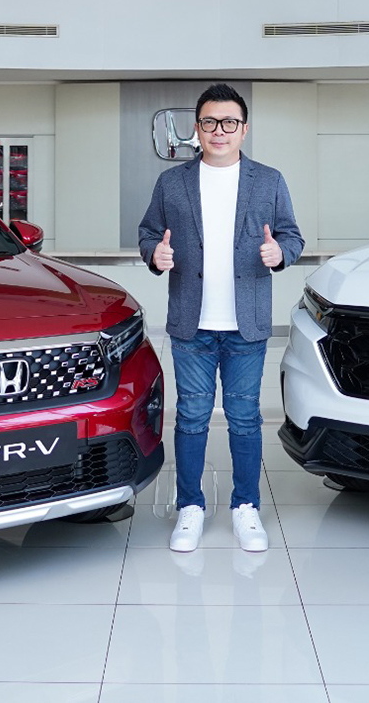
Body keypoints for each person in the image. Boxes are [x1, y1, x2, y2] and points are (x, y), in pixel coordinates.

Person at [137, 83, 304, 553]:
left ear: (243, 129)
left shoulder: (268, 180)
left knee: (245, 418)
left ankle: (245, 506)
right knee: (191, 417)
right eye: (210, 122)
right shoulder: (172, 183)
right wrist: (155, 255)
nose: (219, 131)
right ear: (198, 128)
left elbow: (292, 236)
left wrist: (280, 253)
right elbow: (148, 232)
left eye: (229, 122)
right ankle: (190, 507)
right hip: (191, 324)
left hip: (246, 325)